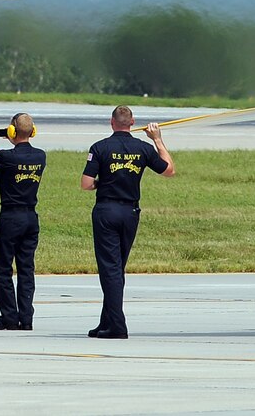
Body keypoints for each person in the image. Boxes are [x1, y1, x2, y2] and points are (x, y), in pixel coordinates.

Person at [81, 105, 175, 339]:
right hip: (130, 212)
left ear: (112, 123)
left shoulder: (100, 147)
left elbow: (85, 183)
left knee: (110, 269)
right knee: (116, 268)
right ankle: (107, 320)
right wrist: (158, 140)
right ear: (132, 123)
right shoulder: (142, 148)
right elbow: (169, 170)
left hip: (106, 210)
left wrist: (99, 184)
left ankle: (117, 326)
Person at [0, 113, 46, 331]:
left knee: (3, 267)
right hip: (30, 217)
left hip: (10, 217)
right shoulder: (40, 156)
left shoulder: (6, 156)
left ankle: (9, 316)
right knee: (26, 268)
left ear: (11, 132)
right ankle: (26, 318)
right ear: (32, 132)